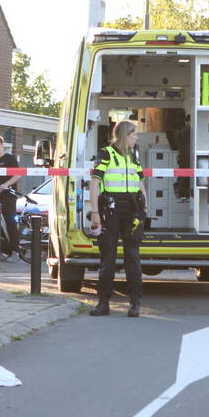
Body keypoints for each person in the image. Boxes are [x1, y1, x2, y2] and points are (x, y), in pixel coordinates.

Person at [88, 120, 147, 317]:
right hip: (110, 210)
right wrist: (95, 212)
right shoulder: (106, 153)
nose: (136, 138)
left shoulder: (134, 155)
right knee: (108, 257)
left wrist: (144, 207)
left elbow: (140, 182)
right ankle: (103, 303)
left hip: (132, 210)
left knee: (133, 257)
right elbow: (94, 183)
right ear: (125, 135)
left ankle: (135, 303)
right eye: (134, 134)